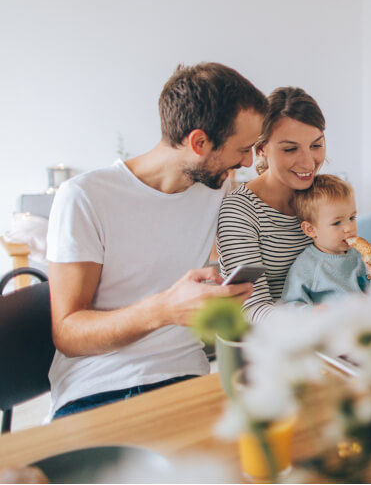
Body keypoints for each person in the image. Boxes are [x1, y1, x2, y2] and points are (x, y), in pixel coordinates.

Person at [46, 62, 267, 418]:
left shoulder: (217, 188)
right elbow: (68, 334)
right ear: (199, 142)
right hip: (100, 388)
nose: (248, 161)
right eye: (243, 148)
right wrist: (164, 309)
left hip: (187, 379)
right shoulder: (85, 196)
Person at [217, 86, 326, 323]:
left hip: (330, 333)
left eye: (316, 145)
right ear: (261, 149)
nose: (309, 162)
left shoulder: (324, 196)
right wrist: (317, 317)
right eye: (290, 149)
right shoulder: (240, 211)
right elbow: (252, 309)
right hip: (273, 343)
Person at [281, 174, 371, 305]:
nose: (349, 228)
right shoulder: (306, 266)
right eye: (337, 223)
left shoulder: (360, 256)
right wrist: (313, 312)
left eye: (352, 218)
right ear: (310, 229)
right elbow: (289, 307)